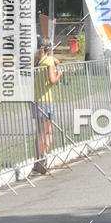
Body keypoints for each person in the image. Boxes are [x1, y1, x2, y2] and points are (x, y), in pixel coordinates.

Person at [32, 37, 63, 175]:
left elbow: (56, 60)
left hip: (36, 100)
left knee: (41, 132)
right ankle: (42, 157)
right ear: (49, 49)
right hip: (46, 101)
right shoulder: (48, 61)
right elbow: (52, 80)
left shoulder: (37, 60)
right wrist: (59, 74)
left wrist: (53, 59)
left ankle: (38, 160)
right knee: (47, 132)